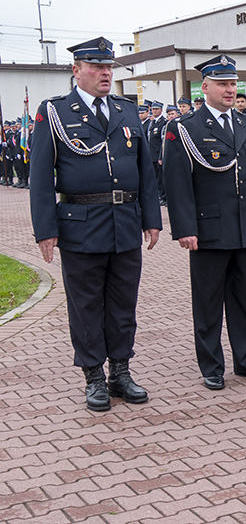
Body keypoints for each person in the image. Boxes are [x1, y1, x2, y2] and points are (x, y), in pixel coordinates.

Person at [29, 37, 162, 412]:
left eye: (109, 67)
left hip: (124, 222)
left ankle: (121, 371)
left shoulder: (125, 110)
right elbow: (40, 177)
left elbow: (144, 172)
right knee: (87, 305)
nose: (105, 74)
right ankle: (93, 376)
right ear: (77, 70)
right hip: (81, 224)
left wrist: (151, 219)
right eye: (96, 67)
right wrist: (46, 229)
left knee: (123, 302)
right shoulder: (55, 112)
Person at [163, 54, 246, 391]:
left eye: (233, 84)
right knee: (208, 300)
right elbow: (177, 183)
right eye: (223, 84)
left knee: (243, 299)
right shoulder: (186, 128)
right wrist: (185, 227)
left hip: (244, 227)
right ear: (205, 88)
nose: (230, 90)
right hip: (209, 229)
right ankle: (212, 365)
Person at [148, 100, 167, 205]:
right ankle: (159, 195)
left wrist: (161, 156)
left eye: (156, 109)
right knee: (155, 177)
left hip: (158, 154)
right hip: (151, 155)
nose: (154, 111)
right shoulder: (152, 122)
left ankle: (163, 197)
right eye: (153, 109)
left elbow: (162, 142)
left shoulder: (163, 122)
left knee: (161, 177)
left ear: (161, 110)